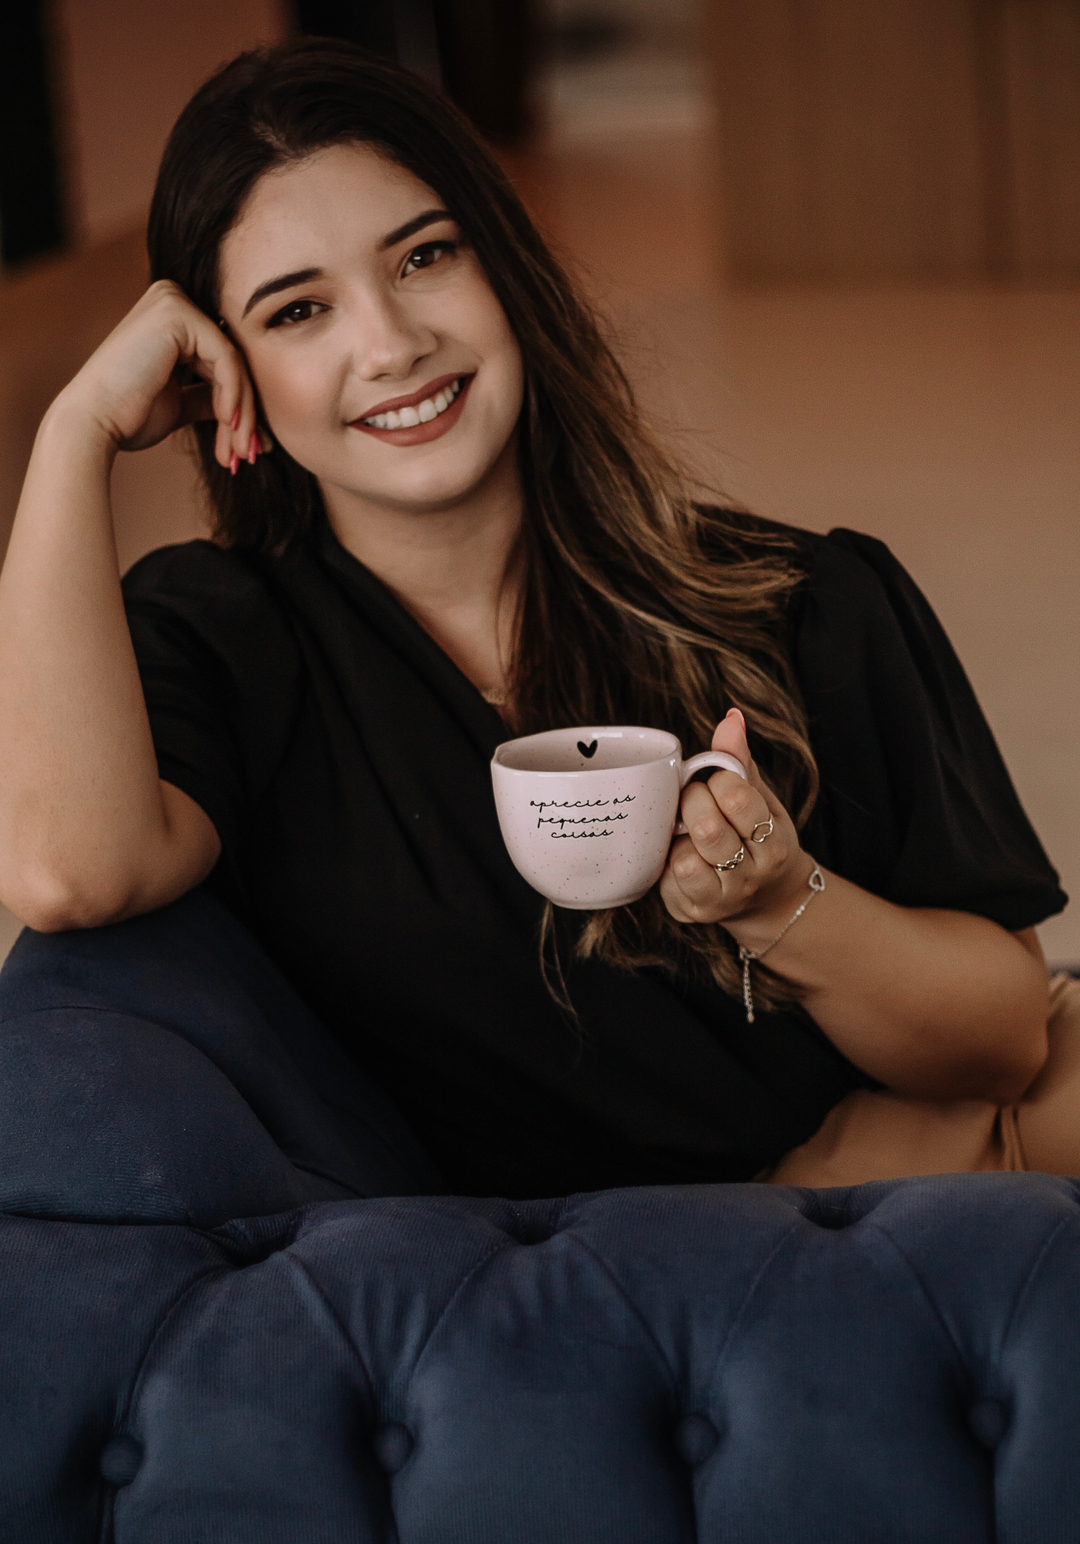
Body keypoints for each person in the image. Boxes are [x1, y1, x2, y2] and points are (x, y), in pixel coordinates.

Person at [0, 39, 1075, 1198]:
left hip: (914, 1183)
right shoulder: (216, 638)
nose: (390, 343)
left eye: (423, 257)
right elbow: (67, 875)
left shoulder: (798, 598)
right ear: (222, 370)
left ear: (505, 266)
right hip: (555, 1299)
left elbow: (1008, 1039)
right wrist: (74, 435)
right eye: (299, 309)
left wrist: (777, 904)